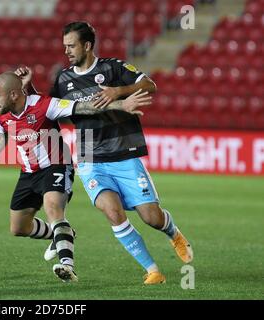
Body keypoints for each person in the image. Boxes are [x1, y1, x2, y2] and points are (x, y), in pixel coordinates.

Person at [17, 21, 193, 285]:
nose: (66, 51)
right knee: (112, 212)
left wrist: (118, 92)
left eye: (71, 45)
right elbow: (49, 110)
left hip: (124, 153)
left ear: (87, 45)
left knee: (151, 217)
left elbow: (150, 85)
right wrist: (28, 89)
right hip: (90, 157)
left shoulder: (113, 67)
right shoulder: (64, 79)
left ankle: (173, 233)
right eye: (64, 46)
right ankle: (153, 270)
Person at [0, 72, 151, 282]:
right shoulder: (1, 113)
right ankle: (63, 233)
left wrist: (120, 105)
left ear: (12, 94)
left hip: (56, 165)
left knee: (53, 208)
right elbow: (1, 137)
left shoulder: (45, 105)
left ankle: (67, 266)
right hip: (28, 173)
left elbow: (84, 107)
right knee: (18, 228)